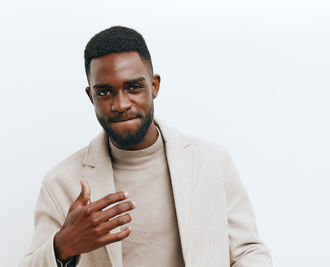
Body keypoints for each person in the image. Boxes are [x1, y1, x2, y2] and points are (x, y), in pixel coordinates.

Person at [20, 26, 272, 267]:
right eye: (105, 92)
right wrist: (62, 246)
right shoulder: (62, 182)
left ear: (154, 86)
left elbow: (248, 251)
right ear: (90, 96)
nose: (121, 104)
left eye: (133, 87)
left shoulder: (210, 161)